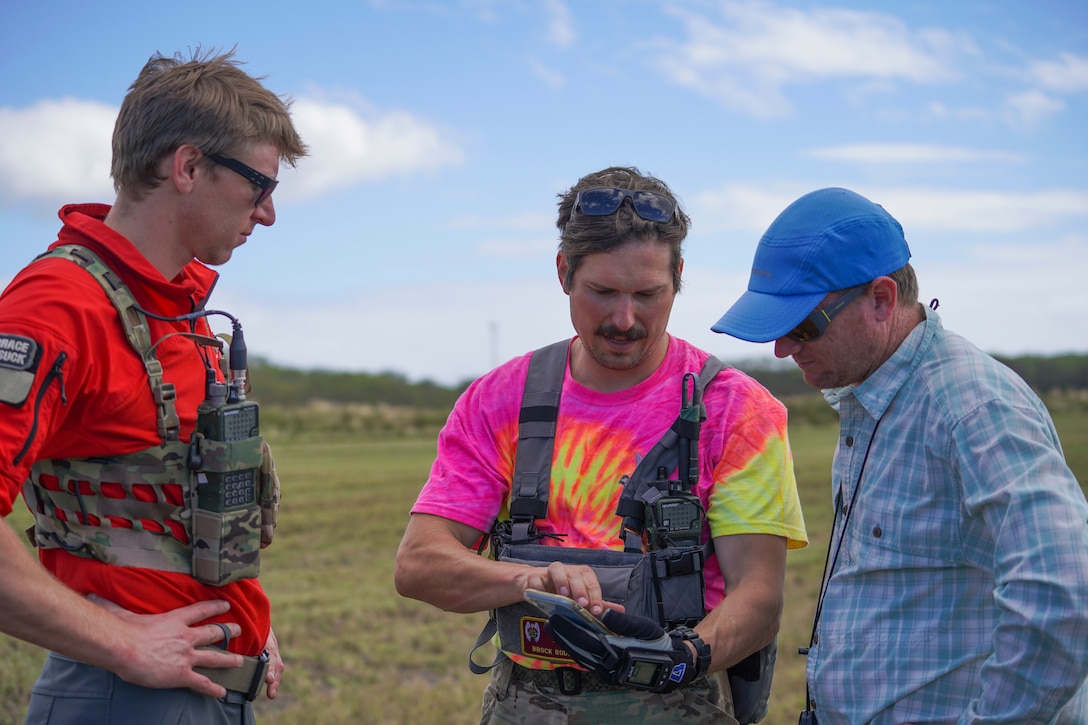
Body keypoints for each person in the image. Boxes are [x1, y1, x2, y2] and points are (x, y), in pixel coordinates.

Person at [394, 166, 807, 724]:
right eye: (603, 292)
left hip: (680, 700)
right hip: (525, 703)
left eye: (648, 294)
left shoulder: (738, 410)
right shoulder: (499, 400)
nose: (624, 319)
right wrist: (530, 580)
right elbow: (419, 563)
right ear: (564, 272)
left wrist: (678, 659)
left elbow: (758, 596)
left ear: (678, 276)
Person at [0, 48, 307, 723]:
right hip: (125, 697)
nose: (268, 213)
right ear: (189, 166)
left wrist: (245, 614)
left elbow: (171, 510)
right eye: (260, 185)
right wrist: (123, 641)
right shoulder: (58, 305)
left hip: (205, 689)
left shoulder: (177, 313)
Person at [711, 186, 1088, 724]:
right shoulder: (867, 395)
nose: (782, 348)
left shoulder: (973, 407)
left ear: (882, 300)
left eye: (803, 326)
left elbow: (1064, 592)